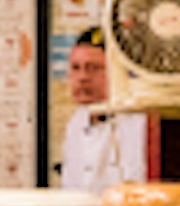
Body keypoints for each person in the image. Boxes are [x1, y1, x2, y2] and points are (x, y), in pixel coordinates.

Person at [56, 27, 133, 196]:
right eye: (76, 68)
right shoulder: (75, 124)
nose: (82, 77)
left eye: (94, 68)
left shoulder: (137, 121)